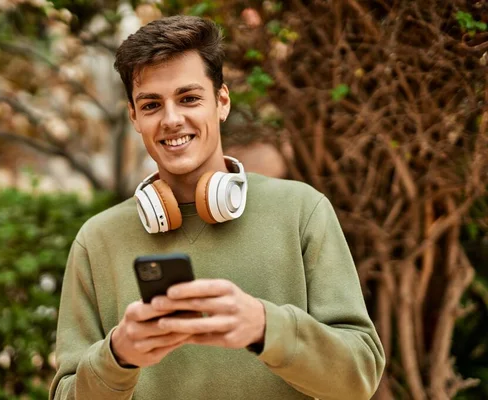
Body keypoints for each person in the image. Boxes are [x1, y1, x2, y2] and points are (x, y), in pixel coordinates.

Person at [50, 15, 385, 400]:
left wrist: (265, 327)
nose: (172, 120)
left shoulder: (301, 211)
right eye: (152, 105)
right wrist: (118, 356)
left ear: (222, 101)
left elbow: (359, 377)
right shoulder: (98, 240)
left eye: (189, 98)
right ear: (134, 117)